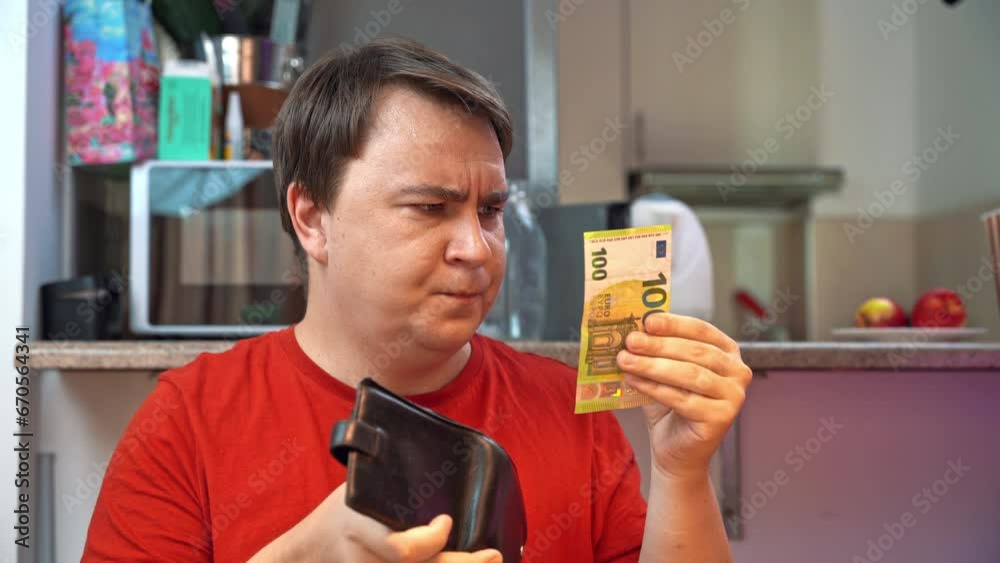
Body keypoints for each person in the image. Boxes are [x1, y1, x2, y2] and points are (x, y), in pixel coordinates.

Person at [82, 37, 752, 562]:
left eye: (490, 210)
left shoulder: (572, 413)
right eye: (430, 207)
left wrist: (683, 472)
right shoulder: (187, 424)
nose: (477, 247)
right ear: (313, 219)